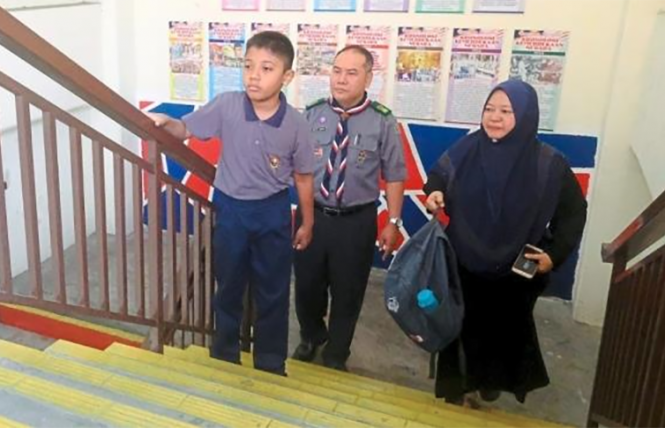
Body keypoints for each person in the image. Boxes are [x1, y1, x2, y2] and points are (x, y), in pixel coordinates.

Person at [147, 31, 315, 376]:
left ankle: (270, 362)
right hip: (231, 210)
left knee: (273, 291)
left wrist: (307, 222)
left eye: (266, 68)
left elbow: (303, 177)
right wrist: (167, 123)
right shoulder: (227, 105)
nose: (254, 76)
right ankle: (225, 356)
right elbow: (186, 129)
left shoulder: (297, 124)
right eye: (248, 66)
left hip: (272, 212)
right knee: (228, 286)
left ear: (287, 77)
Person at [423, 79, 587, 405]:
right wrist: (435, 192)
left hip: (517, 267)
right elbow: (438, 176)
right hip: (464, 259)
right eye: (489, 109)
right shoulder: (468, 148)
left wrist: (554, 255)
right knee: (461, 328)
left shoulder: (548, 162)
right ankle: (457, 393)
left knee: (502, 332)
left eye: (506, 111)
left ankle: (489, 383)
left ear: (526, 116)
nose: (494, 117)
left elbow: (573, 212)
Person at [292, 45, 407, 371]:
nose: (341, 79)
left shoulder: (382, 120)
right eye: (337, 70)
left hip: (356, 222)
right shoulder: (312, 114)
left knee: (348, 291)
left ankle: (336, 353)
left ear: (368, 78)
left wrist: (393, 222)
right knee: (307, 286)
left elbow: (395, 175)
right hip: (312, 215)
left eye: (351, 73)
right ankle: (312, 335)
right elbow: (297, 167)